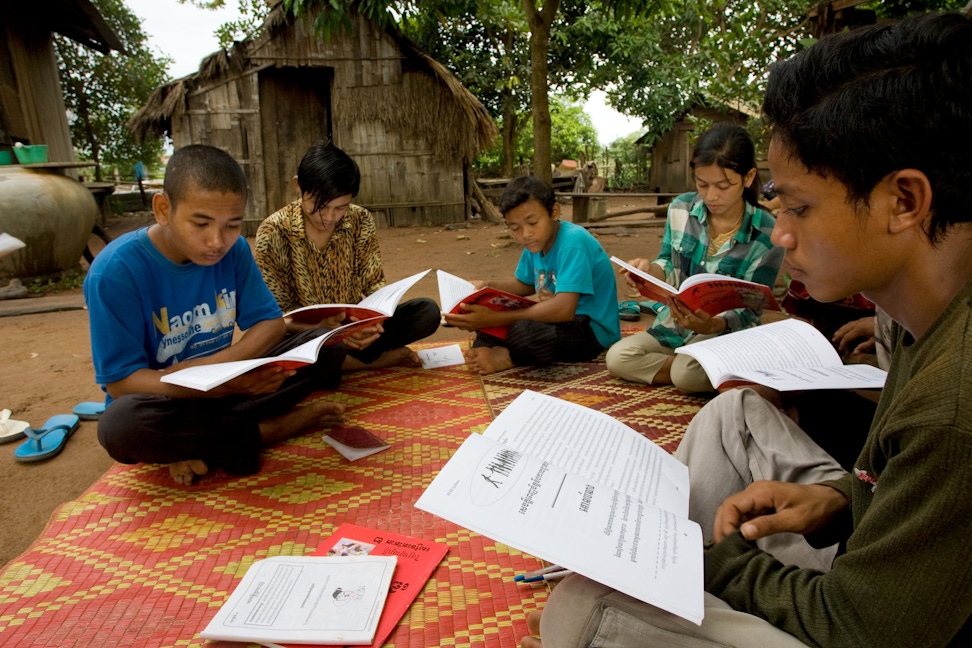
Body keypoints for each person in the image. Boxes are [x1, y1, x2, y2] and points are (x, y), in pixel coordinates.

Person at [521, 12, 972, 647]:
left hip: (869, 621)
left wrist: (712, 566)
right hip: (881, 546)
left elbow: (858, 626)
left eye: (801, 207)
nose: (783, 232)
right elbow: (889, 479)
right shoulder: (920, 318)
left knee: (581, 609)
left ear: (904, 200)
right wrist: (841, 498)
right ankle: (652, 572)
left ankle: (646, 585)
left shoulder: (952, 407)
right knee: (731, 413)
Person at [84, 145, 347, 486]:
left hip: (231, 388)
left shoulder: (234, 251)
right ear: (163, 209)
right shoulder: (116, 272)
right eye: (201, 223)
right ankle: (270, 429)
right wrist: (217, 384)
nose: (216, 241)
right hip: (169, 403)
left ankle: (207, 440)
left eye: (232, 225)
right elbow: (120, 382)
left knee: (325, 346)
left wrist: (225, 372)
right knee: (120, 426)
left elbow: (268, 323)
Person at [605, 123, 784, 394]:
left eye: (723, 186)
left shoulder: (768, 233)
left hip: (727, 334)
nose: (711, 196)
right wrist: (648, 271)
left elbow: (751, 309)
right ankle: (698, 367)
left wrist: (712, 324)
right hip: (674, 324)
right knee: (617, 358)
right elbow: (667, 261)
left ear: (748, 178)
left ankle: (695, 366)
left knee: (687, 374)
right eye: (702, 184)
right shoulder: (680, 209)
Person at [254, 141, 439, 370]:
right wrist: (323, 330)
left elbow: (374, 285)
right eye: (319, 205)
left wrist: (373, 324)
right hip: (309, 337)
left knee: (426, 312)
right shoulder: (273, 231)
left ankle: (349, 362)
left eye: (340, 207)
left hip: (356, 327)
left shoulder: (360, 220)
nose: (329, 217)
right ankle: (369, 363)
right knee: (315, 349)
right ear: (298, 186)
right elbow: (274, 318)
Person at [443, 175, 621, 375]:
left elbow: (564, 310)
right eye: (515, 228)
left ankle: (508, 357)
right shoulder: (535, 244)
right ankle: (495, 348)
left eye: (533, 222)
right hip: (554, 319)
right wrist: (485, 287)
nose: (525, 234)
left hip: (590, 331)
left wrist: (495, 319)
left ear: (554, 212)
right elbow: (524, 283)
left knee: (526, 334)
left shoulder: (573, 242)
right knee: (487, 322)